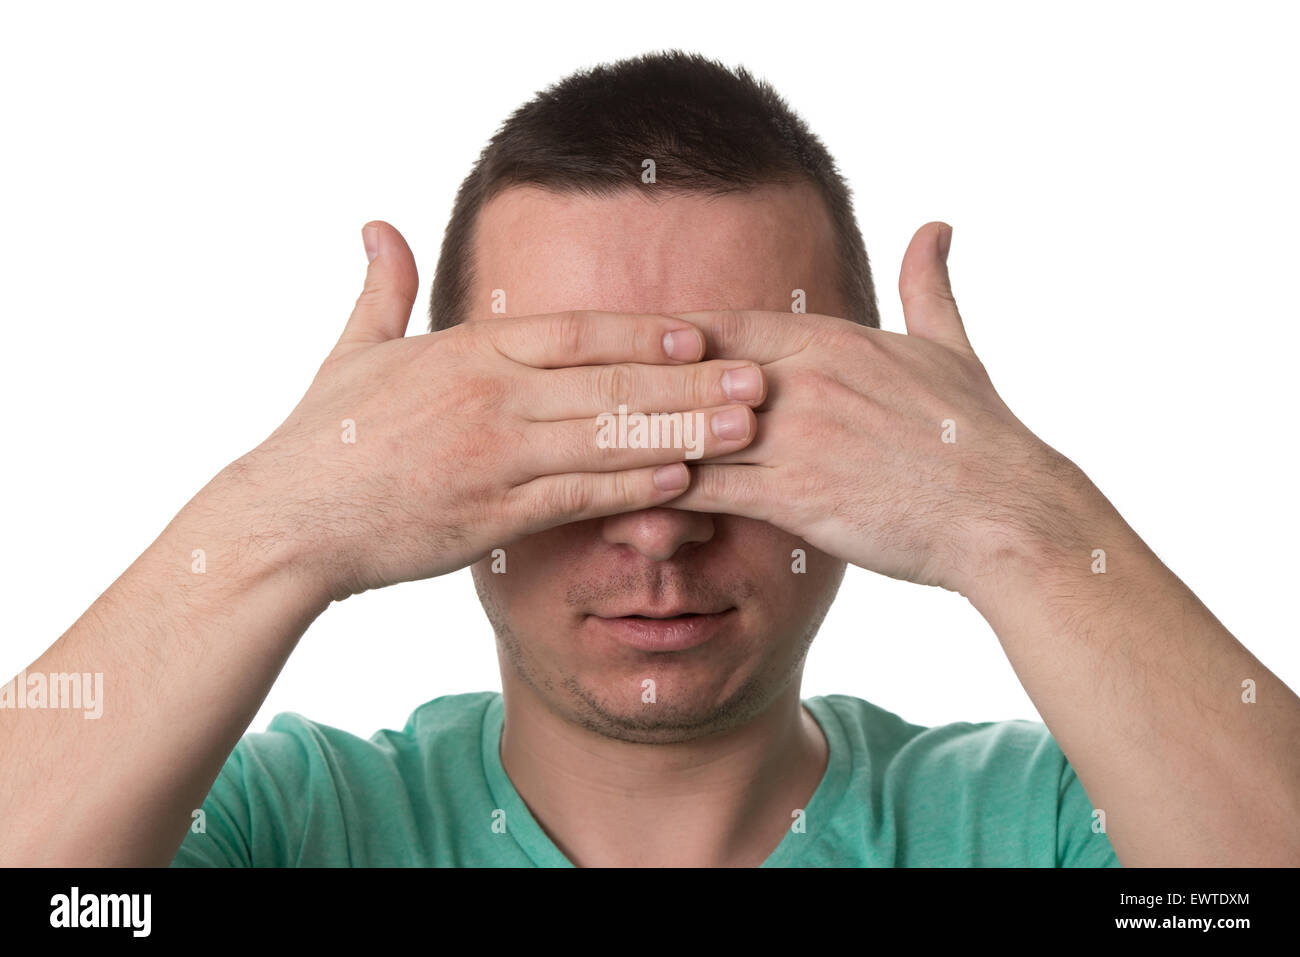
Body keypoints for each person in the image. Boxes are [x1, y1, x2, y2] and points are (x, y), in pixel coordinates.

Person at [2, 51, 1295, 868]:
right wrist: (285, 519)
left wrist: (1017, 522)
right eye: (556, 424)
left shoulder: (1058, 819)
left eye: (746, 424)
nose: (659, 530)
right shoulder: (285, 821)